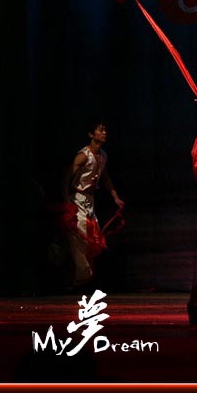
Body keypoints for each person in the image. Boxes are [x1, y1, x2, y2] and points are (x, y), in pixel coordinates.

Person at [64, 121, 124, 289]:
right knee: (79, 236)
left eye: (105, 130)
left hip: (90, 200)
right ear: (91, 135)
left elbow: (104, 176)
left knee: (93, 237)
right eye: (100, 130)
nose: (104, 133)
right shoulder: (83, 156)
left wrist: (115, 196)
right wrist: (66, 199)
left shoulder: (102, 155)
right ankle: (80, 276)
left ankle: (84, 276)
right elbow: (66, 176)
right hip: (78, 199)